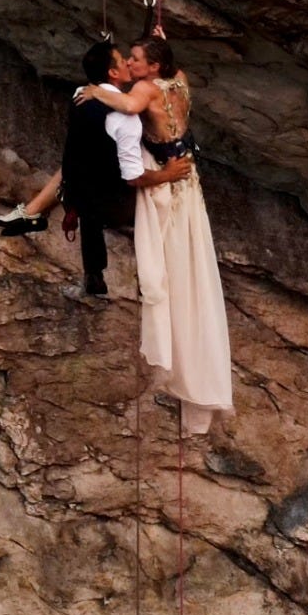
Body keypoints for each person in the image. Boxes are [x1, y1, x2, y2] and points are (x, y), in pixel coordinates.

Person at [75, 30, 233, 434]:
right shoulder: (180, 80)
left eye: (136, 58)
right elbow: (171, 61)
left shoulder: (144, 89)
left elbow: (127, 102)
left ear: (152, 67)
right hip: (188, 176)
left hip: (165, 183)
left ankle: (178, 354)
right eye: (128, 58)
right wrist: (160, 37)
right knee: (190, 262)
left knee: (167, 265)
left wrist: (95, 91)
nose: (130, 63)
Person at [0, 40, 190, 295]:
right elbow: (134, 177)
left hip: (82, 194)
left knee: (85, 160)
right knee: (157, 202)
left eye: (133, 58)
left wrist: (156, 44)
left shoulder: (80, 95)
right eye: (123, 60)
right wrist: (167, 174)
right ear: (114, 72)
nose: (128, 62)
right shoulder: (126, 116)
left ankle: (35, 214)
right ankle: (149, 277)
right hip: (115, 201)